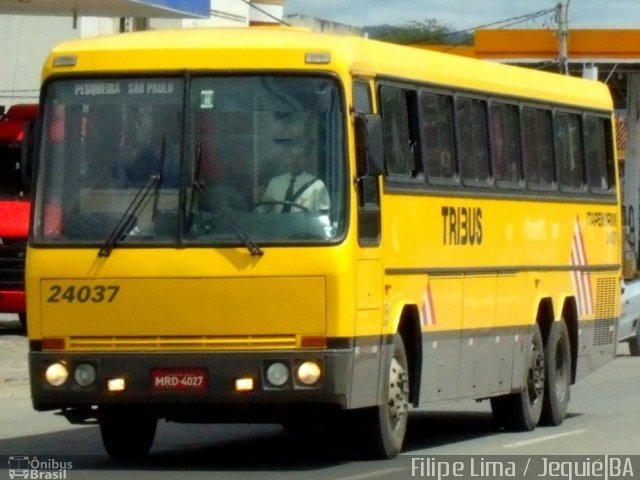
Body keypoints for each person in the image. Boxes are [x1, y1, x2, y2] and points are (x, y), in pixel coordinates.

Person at [260, 145, 330, 213]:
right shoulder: (275, 182)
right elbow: (263, 211)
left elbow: (323, 215)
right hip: (278, 224)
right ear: (286, 159)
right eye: (291, 156)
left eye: (300, 157)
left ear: (307, 160)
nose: (295, 161)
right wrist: (262, 202)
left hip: (304, 224)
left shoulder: (317, 185)